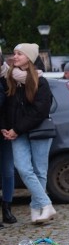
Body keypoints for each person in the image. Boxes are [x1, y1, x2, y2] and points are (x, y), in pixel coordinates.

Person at [1, 43, 56, 223]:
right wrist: (6, 127)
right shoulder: (11, 79)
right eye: (15, 53)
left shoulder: (41, 81)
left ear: (29, 59)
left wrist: (16, 129)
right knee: (24, 169)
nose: (15, 57)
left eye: (19, 54)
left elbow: (39, 111)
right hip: (17, 133)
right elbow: (6, 107)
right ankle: (46, 204)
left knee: (40, 171)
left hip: (36, 131)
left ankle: (36, 209)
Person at [0, 51, 16, 224]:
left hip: (9, 131)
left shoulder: (10, 76)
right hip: (4, 128)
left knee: (8, 170)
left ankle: (7, 208)